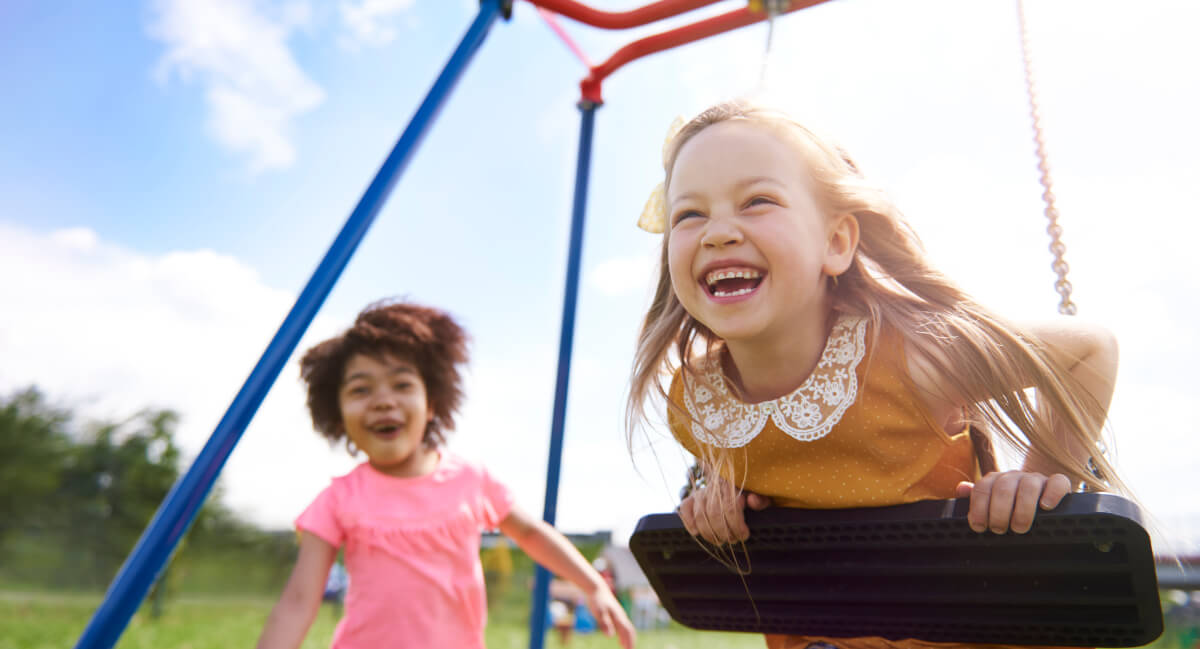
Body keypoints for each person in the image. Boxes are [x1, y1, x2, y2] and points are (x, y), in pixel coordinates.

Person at [626, 100, 1129, 649]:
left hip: (964, 629)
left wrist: (1037, 475)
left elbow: (1089, 350)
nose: (718, 232)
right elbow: (768, 469)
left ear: (836, 242)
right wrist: (718, 495)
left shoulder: (907, 360)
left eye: (758, 201)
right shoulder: (696, 402)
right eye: (689, 214)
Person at [257, 300, 635, 649]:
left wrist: (591, 585)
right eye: (361, 389)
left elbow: (533, 533)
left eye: (402, 384)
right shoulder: (338, 499)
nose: (384, 400)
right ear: (337, 413)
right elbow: (298, 601)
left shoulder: (469, 480)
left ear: (432, 402)